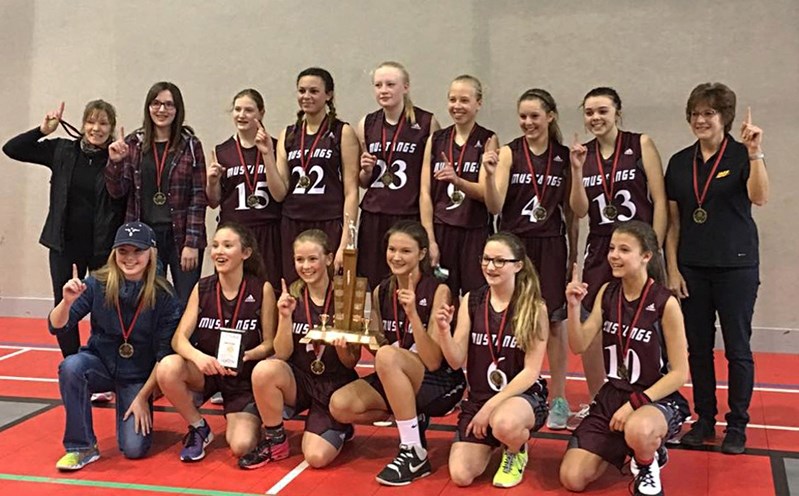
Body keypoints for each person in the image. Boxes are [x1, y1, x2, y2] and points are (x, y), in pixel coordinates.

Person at [665, 83, 768, 455]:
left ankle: (737, 424)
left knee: (738, 349)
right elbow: (674, 223)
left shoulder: (743, 155)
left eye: (709, 113)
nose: (700, 120)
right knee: (698, 349)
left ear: (724, 117)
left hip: (736, 266)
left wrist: (756, 155)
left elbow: (760, 196)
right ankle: (704, 419)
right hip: (692, 268)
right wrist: (672, 268)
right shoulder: (679, 162)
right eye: (695, 113)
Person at [328, 220, 466, 485]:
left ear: (422, 254)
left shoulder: (439, 290)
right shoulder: (382, 291)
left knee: (388, 357)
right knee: (340, 405)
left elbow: (434, 360)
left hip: (439, 383)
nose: (396, 256)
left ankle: (414, 450)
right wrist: (352, 336)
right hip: (398, 376)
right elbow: (380, 346)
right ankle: (412, 418)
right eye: (392, 250)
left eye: (405, 251)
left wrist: (413, 314)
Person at [560, 221, 690, 496]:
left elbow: (680, 373)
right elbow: (578, 344)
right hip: (614, 394)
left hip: (655, 398)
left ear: (646, 256)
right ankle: (625, 444)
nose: (613, 255)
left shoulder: (665, 302)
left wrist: (635, 404)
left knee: (640, 429)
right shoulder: (607, 293)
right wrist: (573, 308)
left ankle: (647, 460)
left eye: (623, 249)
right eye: (611, 248)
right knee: (572, 478)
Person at [568, 87, 668, 429]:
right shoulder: (584, 154)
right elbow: (579, 210)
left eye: (602, 111)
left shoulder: (640, 144)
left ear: (617, 113)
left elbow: (659, 199)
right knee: (593, 329)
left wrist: (653, 252)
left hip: (638, 247)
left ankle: (657, 404)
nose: (595, 118)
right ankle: (600, 402)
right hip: (601, 248)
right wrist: (577, 171)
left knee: (649, 327)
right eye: (589, 112)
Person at [48, 221, 181, 470]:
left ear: (150, 253)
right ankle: (82, 446)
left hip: (138, 376)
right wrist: (66, 303)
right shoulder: (96, 283)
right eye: (123, 251)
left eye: (137, 251)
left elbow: (164, 355)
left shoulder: (165, 295)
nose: (129, 258)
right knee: (71, 366)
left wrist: (144, 397)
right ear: (114, 253)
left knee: (134, 450)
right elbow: (57, 326)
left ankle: (136, 406)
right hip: (101, 364)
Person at [483, 88, 577, 430]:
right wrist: (491, 176)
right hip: (515, 245)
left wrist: (572, 256)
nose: (527, 122)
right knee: (509, 318)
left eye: (534, 116)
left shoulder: (564, 156)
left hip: (551, 245)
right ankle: (508, 389)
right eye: (522, 116)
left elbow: (572, 213)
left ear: (550, 116)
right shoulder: (508, 152)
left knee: (553, 322)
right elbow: (494, 206)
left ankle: (560, 397)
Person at [3, 100, 125, 358]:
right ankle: (73, 366)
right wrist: (42, 130)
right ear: (82, 125)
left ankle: (101, 366)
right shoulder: (62, 150)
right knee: (64, 304)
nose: (96, 128)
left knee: (106, 308)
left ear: (111, 128)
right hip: (64, 246)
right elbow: (12, 149)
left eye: (103, 123)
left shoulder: (118, 157)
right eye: (91, 122)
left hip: (103, 247)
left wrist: (119, 163)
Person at [436, 232, 550, 488]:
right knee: (461, 475)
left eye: (500, 261)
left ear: (518, 265)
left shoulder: (534, 307)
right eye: (486, 259)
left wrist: (489, 410)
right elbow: (455, 361)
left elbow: (531, 372)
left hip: (521, 398)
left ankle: (515, 450)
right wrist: (444, 331)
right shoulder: (472, 301)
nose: (490, 266)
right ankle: (497, 439)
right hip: (479, 398)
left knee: (504, 422)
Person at [238, 230, 360, 469]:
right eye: (299, 259)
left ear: (328, 258)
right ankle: (276, 441)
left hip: (335, 384)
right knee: (265, 370)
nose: (306, 266)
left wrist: (343, 347)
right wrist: (284, 317)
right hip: (301, 380)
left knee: (316, 458)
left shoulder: (345, 297)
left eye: (312, 259)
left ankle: (342, 425)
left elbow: (351, 363)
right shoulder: (291, 296)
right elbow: (281, 354)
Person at [157, 223, 276, 462]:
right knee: (168, 367)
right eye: (215, 245)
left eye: (228, 245)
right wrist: (199, 358)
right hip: (208, 370)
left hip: (242, 376)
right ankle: (199, 427)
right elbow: (178, 339)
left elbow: (270, 344)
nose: (219, 251)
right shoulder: (202, 287)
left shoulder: (261, 289)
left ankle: (253, 416)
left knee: (242, 446)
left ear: (246, 253)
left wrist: (250, 355)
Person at [106, 81, 208, 306]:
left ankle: (184, 342)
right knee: (147, 301)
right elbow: (117, 191)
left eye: (169, 105)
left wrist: (191, 242)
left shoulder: (191, 145)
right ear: (148, 107)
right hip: (145, 238)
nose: (162, 110)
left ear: (178, 109)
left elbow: (199, 197)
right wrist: (114, 163)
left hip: (181, 236)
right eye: (156, 103)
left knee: (185, 303)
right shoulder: (133, 143)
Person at [356, 62, 439, 289]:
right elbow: (363, 182)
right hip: (374, 214)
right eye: (378, 85)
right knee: (373, 284)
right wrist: (365, 170)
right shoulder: (367, 123)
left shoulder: (426, 122)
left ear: (405, 87)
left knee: (410, 282)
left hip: (408, 214)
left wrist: (429, 233)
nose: (384, 90)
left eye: (390, 84)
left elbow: (430, 183)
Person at [274, 68, 360, 280]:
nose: (306, 96)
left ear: (328, 95)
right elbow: (280, 190)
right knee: (295, 288)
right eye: (302, 91)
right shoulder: (288, 134)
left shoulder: (342, 132)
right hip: (293, 221)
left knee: (330, 287)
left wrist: (346, 243)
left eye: (314, 91)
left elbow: (351, 190)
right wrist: (268, 155)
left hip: (328, 220)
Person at [420, 75, 498, 298]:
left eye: (464, 100)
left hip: (474, 230)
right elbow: (425, 193)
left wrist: (458, 181)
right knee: (442, 297)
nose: (457, 106)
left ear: (478, 103)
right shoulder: (435, 140)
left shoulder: (488, 139)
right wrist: (430, 239)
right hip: (441, 228)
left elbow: (486, 194)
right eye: (452, 100)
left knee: (476, 297)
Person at [207, 89, 284, 290]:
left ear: (261, 113)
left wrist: (268, 154)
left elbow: (281, 193)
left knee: (268, 289)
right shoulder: (222, 151)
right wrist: (212, 182)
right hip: (234, 230)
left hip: (268, 228)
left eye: (248, 110)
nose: (242, 115)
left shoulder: (276, 146)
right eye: (237, 109)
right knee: (231, 288)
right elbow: (214, 201)